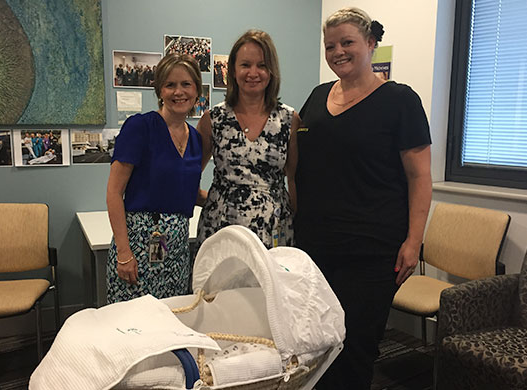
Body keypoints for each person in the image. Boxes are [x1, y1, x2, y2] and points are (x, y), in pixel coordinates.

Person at [295, 7, 432, 390]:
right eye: (330, 45)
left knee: (356, 344)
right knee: (317, 340)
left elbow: (420, 176)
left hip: (372, 249)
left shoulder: (400, 100)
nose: (338, 51)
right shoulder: (318, 96)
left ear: (371, 43)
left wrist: (413, 240)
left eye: (348, 42)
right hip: (316, 245)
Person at [106, 53, 203, 303]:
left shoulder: (195, 139)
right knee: (134, 326)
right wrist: (124, 254)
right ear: (160, 89)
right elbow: (114, 193)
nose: (178, 92)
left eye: (186, 84)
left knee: (173, 320)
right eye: (170, 84)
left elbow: (187, 192)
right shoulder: (140, 127)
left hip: (177, 249)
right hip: (138, 245)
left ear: (196, 91)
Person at [196, 29, 300, 249]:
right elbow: (189, 173)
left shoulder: (289, 119)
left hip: (273, 231)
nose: (253, 72)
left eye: (262, 65)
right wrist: (216, 199)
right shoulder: (213, 119)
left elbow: (294, 181)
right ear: (233, 70)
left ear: (271, 71)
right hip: (222, 230)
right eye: (245, 65)